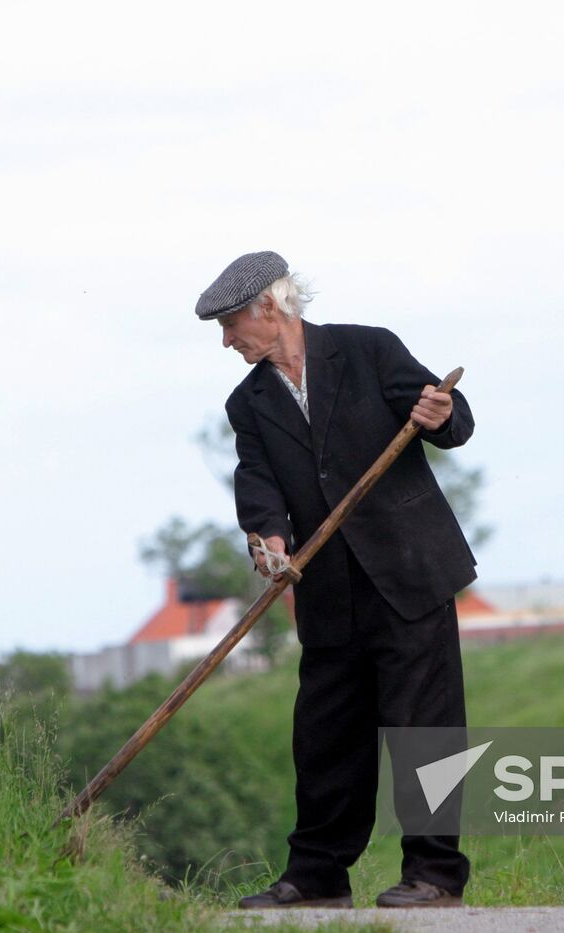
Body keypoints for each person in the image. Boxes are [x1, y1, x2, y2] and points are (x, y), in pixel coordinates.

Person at [195, 250, 477, 909]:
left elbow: (447, 416)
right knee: (324, 735)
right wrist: (267, 539)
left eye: (232, 323)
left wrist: (444, 413)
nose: (228, 339)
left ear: (271, 307)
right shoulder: (249, 402)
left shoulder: (367, 350)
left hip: (409, 573)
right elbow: (258, 484)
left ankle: (435, 873)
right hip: (328, 591)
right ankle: (318, 876)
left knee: (424, 729)